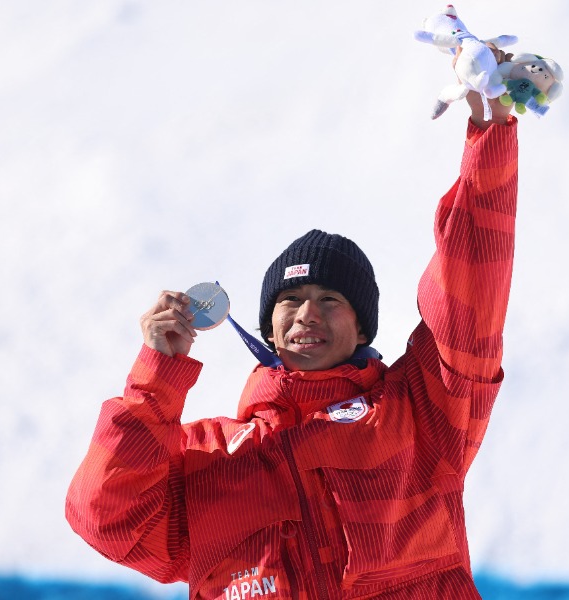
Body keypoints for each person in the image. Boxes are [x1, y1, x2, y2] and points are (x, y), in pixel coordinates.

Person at [66, 52, 519, 600]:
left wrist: (490, 133)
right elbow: (106, 517)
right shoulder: (206, 458)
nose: (308, 313)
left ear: (362, 328)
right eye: (291, 300)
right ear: (269, 328)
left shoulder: (423, 414)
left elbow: (471, 288)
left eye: (330, 298)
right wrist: (156, 379)